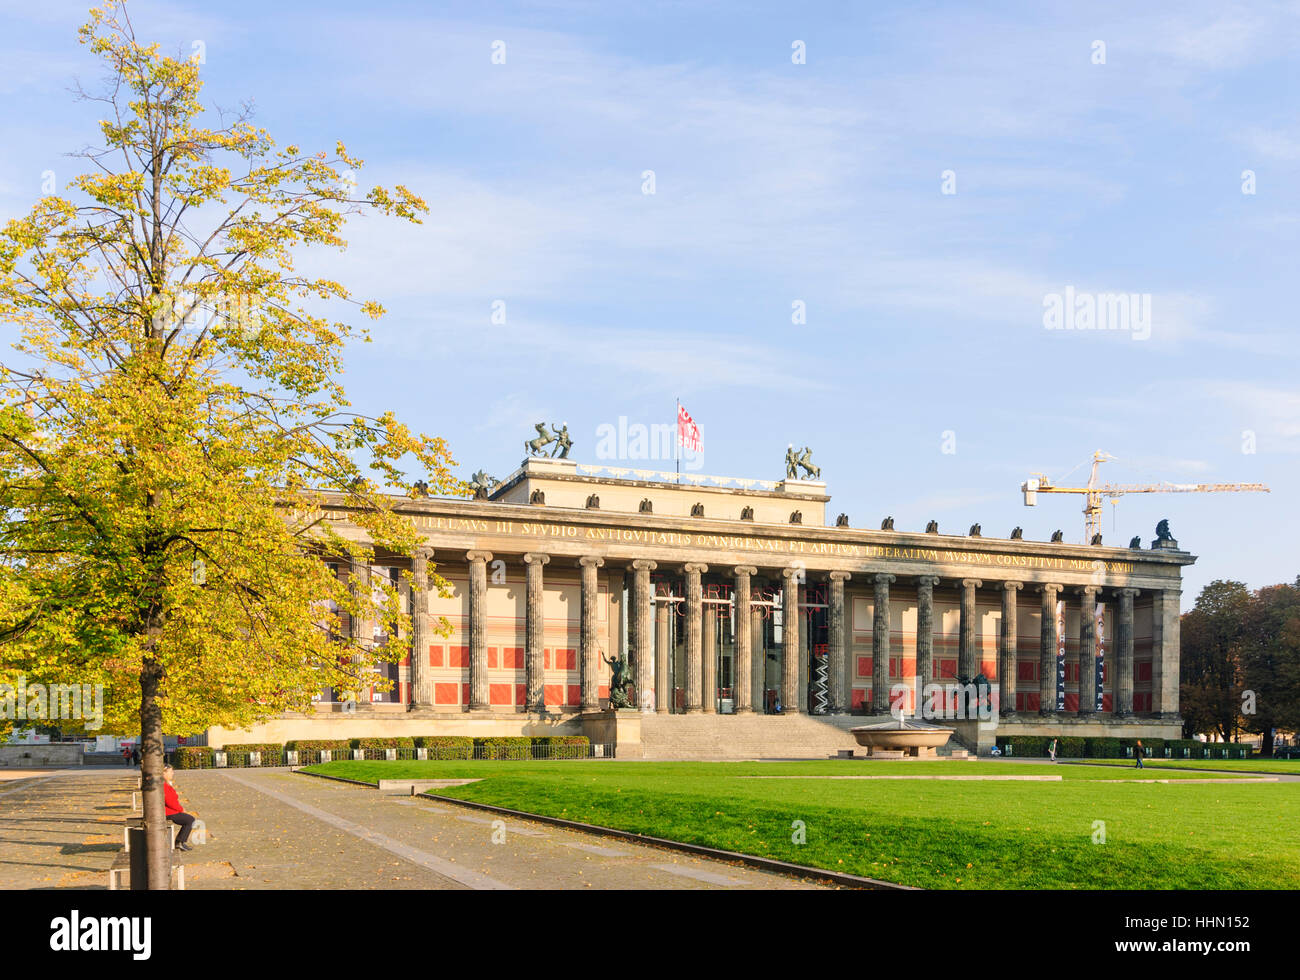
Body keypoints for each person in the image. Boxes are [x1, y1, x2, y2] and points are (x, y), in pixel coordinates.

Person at [163, 765, 197, 851]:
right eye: (170, 771)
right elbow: (169, 801)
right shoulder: (163, 785)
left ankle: (180, 842)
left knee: (189, 819)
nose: (172, 773)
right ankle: (179, 842)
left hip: (169, 811)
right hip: (168, 812)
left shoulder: (165, 784)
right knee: (190, 820)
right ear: (164, 773)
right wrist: (181, 809)